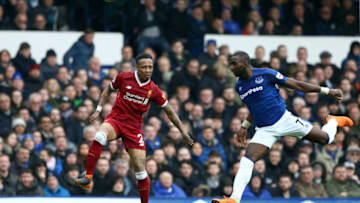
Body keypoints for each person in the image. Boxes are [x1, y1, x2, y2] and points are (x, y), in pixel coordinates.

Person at [212, 51, 353, 203]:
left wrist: (327, 90)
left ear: (245, 63)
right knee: (248, 159)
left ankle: (332, 121)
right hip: (264, 129)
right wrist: (244, 126)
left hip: (285, 121)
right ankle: (234, 199)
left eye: (234, 64)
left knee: (326, 139)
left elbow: (297, 84)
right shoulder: (239, 86)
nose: (231, 67)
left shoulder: (266, 74)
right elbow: (253, 107)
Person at [75, 53, 193, 203]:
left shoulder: (153, 89)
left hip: (134, 129)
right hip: (116, 121)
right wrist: (98, 109)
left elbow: (169, 111)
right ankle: (88, 177)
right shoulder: (124, 78)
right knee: (99, 135)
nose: (148, 70)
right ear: (137, 68)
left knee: (141, 171)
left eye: (150, 67)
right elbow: (107, 89)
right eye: (144, 67)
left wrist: (183, 132)